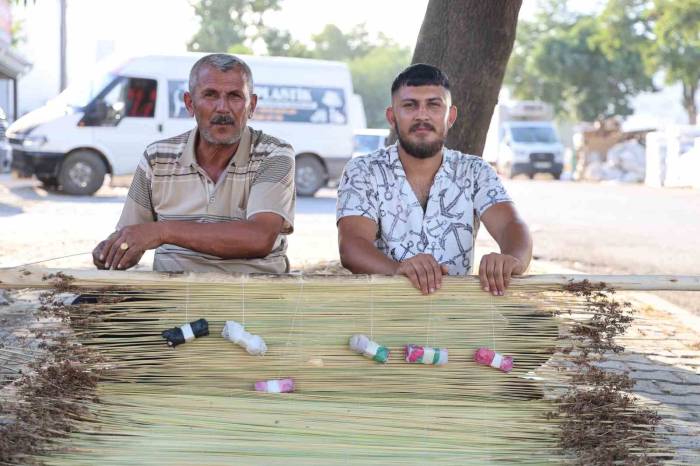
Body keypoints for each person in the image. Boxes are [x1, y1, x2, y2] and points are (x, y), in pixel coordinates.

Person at [336, 64, 532, 296]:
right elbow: (351, 246)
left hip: (455, 315)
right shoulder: (364, 171)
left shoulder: (474, 170)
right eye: (409, 106)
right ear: (392, 117)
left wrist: (511, 260)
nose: (422, 115)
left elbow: (511, 225)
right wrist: (400, 271)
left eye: (434, 105)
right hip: (383, 314)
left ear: (451, 116)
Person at [92, 54, 295, 273]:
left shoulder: (273, 154)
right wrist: (115, 249)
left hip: (254, 298)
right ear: (189, 103)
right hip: (172, 297)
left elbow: (259, 238)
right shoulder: (157, 158)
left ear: (251, 105)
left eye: (235, 96)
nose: (222, 108)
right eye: (210, 95)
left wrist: (163, 231)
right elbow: (132, 236)